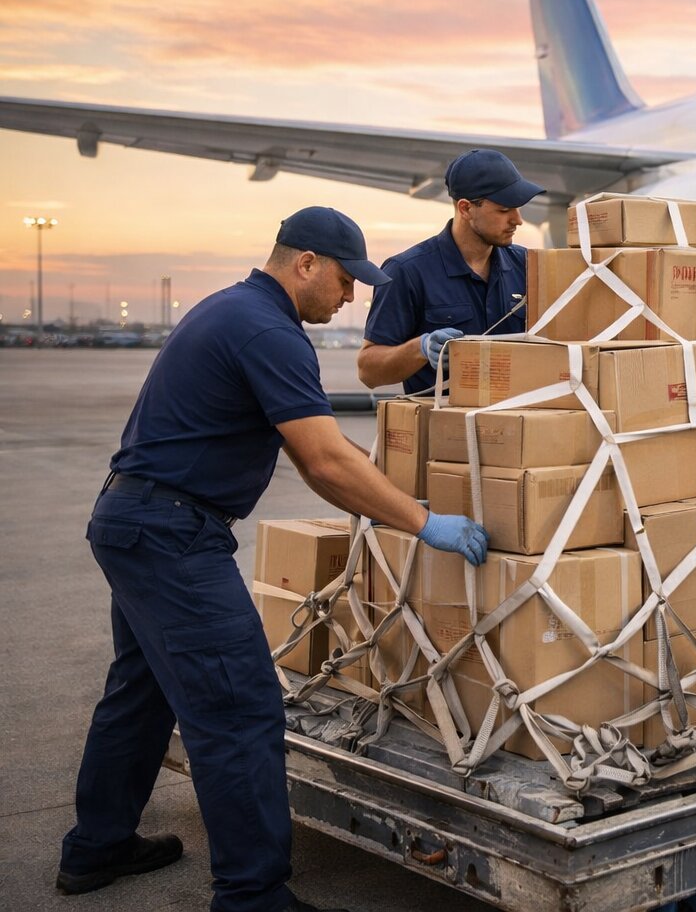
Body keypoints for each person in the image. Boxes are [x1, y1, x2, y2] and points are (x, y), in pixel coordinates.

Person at [59, 207, 489, 912]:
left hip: (135, 521)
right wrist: (422, 523)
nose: (351, 297)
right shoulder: (269, 332)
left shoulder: (235, 311)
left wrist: (393, 488)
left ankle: (97, 847)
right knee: (239, 709)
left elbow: (323, 444)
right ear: (306, 263)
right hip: (173, 535)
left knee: (141, 689)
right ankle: (252, 897)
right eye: (346, 281)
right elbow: (321, 464)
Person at [357, 148, 545, 394]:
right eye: (504, 210)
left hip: (520, 424)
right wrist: (420, 348)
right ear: (466, 209)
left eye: (518, 208)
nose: (518, 220)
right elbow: (368, 372)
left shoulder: (528, 265)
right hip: (446, 428)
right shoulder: (407, 272)